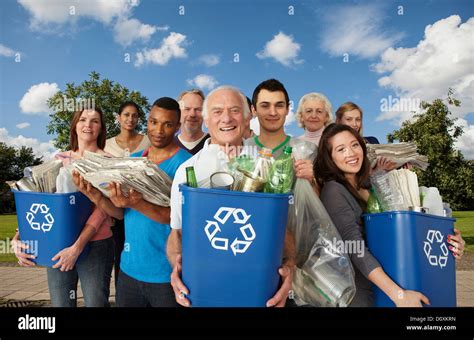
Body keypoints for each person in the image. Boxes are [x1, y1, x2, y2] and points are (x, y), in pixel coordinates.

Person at [166, 85, 295, 307]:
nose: (226, 118)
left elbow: (282, 231)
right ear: (206, 120)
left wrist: (290, 267)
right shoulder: (188, 170)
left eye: (235, 110)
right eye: (217, 111)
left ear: (247, 118)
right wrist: (175, 271)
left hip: (258, 294)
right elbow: (177, 233)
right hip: (203, 293)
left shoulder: (269, 168)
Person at [314, 123, 465, 307]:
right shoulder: (334, 191)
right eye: (341, 149)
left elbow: (405, 227)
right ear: (330, 158)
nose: (351, 153)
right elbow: (355, 248)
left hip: (388, 283)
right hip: (359, 293)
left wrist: (447, 239)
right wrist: (399, 295)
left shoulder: (370, 187)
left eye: (354, 145)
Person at [75, 97, 191, 307]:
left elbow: (180, 219)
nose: (158, 130)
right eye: (154, 122)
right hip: (128, 271)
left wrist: (138, 204)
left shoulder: (186, 164)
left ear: (178, 127)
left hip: (166, 275)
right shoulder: (133, 160)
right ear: (147, 121)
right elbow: (120, 213)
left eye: (168, 124)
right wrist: (96, 196)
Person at [12, 108, 115, 307]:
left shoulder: (108, 162)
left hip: (96, 245)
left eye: (95, 121)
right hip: (58, 245)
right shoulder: (58, 161)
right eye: (83, 119)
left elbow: (103, 209)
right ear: (75, 125)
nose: (88, 125)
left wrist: (77, 248)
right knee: (61, 304)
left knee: (95, 303)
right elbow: (40, 204)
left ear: (101, 128)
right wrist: (19, 238)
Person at [104, 100, 151, 289]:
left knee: (143, 252)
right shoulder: (107, 145)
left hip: (143, 206)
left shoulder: (148, 140)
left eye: (134, 115)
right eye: (126, 115)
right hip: (117, 209)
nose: (130, 119)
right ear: (118, 118)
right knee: (120, 255)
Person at [245, 79, 317, 192]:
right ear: (254, 110)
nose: (273, 112)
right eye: (265, 106)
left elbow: (319, 202)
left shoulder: (308, 150)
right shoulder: (242, 149)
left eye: (279, 105)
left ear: (287, 109)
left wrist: (311, 181)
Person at [175, 89, 210, 155]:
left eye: (198, 109)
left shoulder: (218, 144)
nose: (192, 114)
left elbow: (235, 165)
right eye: (187, 109)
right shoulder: (166, 146)